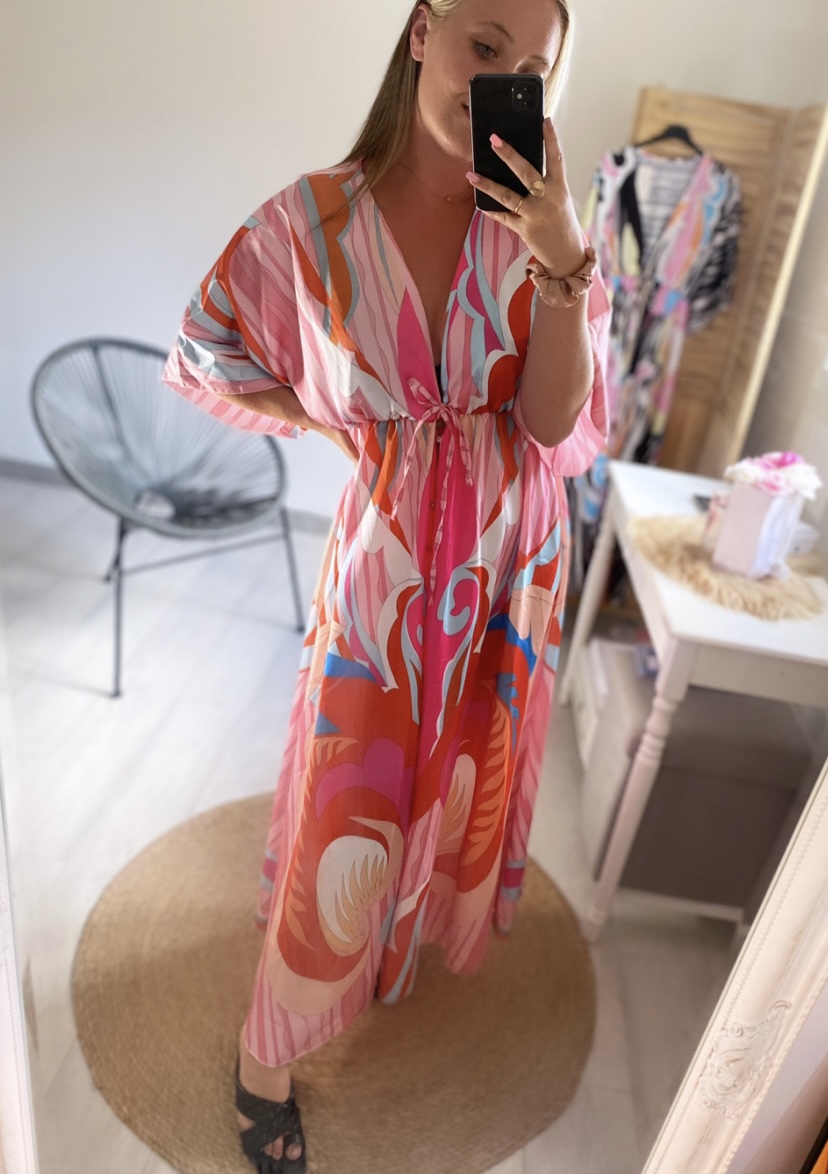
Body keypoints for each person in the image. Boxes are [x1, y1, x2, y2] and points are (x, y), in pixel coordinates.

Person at [163, 0, 610, 1168]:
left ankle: (397, 944)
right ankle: (267, 1054)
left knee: (459, 780)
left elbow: (552, 421)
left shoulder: (544, 226)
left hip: (513, 565)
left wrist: (563, 259)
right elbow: (209, 344)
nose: (500, 78)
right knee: (345, 799)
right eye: (483, 46)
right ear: (422, 31)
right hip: (390, 570)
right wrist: (332, 424)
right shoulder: (310, 223)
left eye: (533, 68)